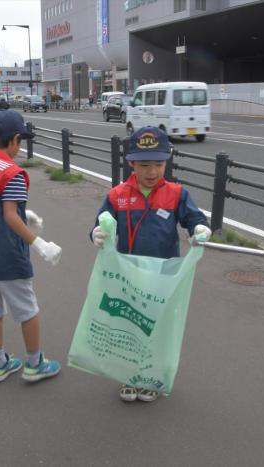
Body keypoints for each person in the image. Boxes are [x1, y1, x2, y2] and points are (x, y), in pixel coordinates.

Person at [90, 126, 211, 402]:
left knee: (157, 327)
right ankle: (128, 376)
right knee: (128, 327)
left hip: (163, 276)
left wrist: (201, 229)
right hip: (128, 276)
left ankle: (150, 377)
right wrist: (96, 234)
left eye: (158, 164)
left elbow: (195, 219)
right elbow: (99, 225)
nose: (153, 171)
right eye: (144, 165)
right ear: (131, 163)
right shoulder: (117, 195)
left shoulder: (176, 194)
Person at [0, 110, 62, 384]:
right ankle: (34, 364)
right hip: (5, 256)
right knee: (27, 310)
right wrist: (39, 243)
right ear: (15, 140)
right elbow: (8, 215)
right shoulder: (12, 173)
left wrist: (22, 215)